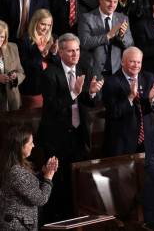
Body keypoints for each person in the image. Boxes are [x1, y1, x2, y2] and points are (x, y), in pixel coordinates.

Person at [38, 33, 104, 221]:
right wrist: (74, 92)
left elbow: (91, 103)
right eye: (70, 51)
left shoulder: (85, 68)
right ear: (60, 51)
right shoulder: (50, 73)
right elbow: (52, 107)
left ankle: (77, 217)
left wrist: (91, 93)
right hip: (55, 137)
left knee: (77, 180)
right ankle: (54, 221)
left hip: (78, 134)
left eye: (77, 50)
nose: (75, 54)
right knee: (58, 183)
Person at [102, 46, 154, 156]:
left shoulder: (149, 78)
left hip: (146, 141)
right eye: (132, 61)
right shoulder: (111, 82)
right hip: (122, 143)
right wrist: (130, 97)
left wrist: (152, 99)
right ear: (122, 62)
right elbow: (114, 112)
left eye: (139, 62)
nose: (136, 65)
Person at [0, 125, 58, 231]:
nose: (33, 145)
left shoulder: (15, 166)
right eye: (30, 143)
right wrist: (48, 178)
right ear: (20, 146)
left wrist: (43, 173)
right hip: (17, 226)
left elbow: (27, 184)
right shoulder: (16, 172)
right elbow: (40, 199)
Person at [78, 0, 134, 77]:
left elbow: (130, 45)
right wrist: (107, 36)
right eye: (108, 1)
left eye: (115, 2)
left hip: (116, 71)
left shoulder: (123, 18)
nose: (112, 5)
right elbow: (84, 43)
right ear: (100, 0)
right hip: (94, 71)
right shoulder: (86, 18)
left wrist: (121, 36)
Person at [19, 9, 58, 109]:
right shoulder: (26, 39)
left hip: (51, 86)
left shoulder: (53, 38)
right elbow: (24, 64)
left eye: (49, 25)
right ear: (35, 22)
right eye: (43, 24)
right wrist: (41, 55)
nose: (46, 28)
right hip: (33, 86)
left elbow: (59, 64)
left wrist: (53, 53)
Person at [0, 20, 25, 111]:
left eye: (2, 37)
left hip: (12, 101)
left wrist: (16, 77)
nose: (0, 40)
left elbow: (21, 72)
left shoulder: (13, 47)